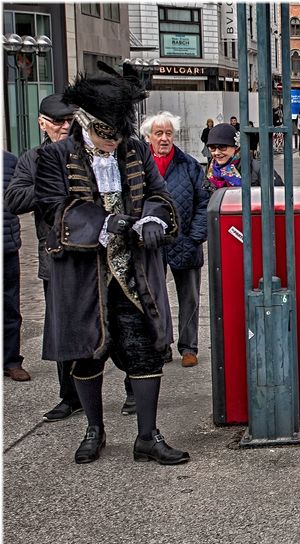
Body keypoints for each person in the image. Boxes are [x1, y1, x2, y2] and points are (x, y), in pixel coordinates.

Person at [35, 67, 191, 465]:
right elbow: (54, 208)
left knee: (144, 349)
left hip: (134, 272)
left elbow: (159, 193)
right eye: (105, 138)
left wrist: (154, 219)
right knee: (87, 352)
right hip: (85, 274)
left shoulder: (135, 149)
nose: (112, 145)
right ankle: (94, 429)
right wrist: (104, 223)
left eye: (116, 137)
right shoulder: (54, 156)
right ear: (86, 122)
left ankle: (147, 436)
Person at [5, 94, 88, 416]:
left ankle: (131, 391)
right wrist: (49, 182)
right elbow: (14, 200)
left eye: (69, 120)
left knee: (115, 323)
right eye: (57, 122)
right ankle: (70, 397)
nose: (64, 127)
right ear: (42, 123)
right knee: (63, 330)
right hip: (57, 255)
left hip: (97, 253)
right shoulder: (33, 159)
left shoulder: (89, 150)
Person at [142, 111, 209, 368]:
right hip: (151, 243)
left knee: (189, 297)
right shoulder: (140, 164)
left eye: (169, 133)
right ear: (148, 136)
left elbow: (203, 202)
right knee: (153, 296)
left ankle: (189, 346)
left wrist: (195, 236)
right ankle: (161, 345)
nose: (164, 138)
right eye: (159, 133)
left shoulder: (189, 164)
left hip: (185, 240)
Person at [3, 149, 29, 382]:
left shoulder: (10, 161)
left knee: (10, 307)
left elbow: (19, 198)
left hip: (6, 246)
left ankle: (11, 360)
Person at [205, 123, 283, 188]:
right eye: (212, 148)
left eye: (222, 147)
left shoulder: (259, 168)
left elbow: (278, 197)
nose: (216, 152)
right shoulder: (209, 170)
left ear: (236, 147)